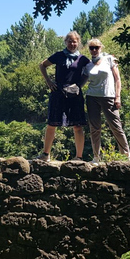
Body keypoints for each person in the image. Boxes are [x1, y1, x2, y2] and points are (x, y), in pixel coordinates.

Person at [36, 31, 90, 161]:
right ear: (65, 42)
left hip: (75, 94)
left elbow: (88, 72)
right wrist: (49, 82)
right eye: (70, 41)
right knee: (52, 124)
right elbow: (42, 65)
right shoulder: (59, 56)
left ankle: (78, 157)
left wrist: (79, 85)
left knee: (77, 126)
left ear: (78, 43)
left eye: (74, 41)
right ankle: (45, 154)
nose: (72, 44)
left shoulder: (82, 59)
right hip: (58, 92)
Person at [83, 38, 130, 163]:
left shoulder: (109, 59)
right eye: (92, 48)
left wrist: (118, 96)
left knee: (116, 126)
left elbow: (117, 79)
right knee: (94, 128)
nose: (94, 50)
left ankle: (127, 155)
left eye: (96, 47)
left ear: (101, 47)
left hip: (109, 96)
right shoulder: (88, 65)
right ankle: (96, 157)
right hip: (92, 97)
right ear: (89, 50)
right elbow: (83, 80)